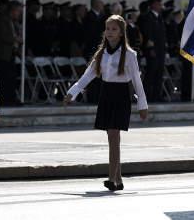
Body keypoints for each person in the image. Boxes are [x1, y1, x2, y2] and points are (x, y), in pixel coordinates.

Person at [64, 15, 149, 191]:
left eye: (114, 29)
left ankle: (111, 178)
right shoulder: (101, 54)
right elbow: (88, 75)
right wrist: (72, 92)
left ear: (121, 33)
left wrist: (143, 105)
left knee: (114, 136)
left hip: (121, 95)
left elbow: (136, 81)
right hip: (107, 94)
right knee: (112, 138)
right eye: (108, 29)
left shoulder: (130, 55)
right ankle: (118, 179)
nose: (110, 32)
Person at [0, 0, 23, 106]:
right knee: (5, 77)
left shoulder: (13, 22)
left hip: (11, 54)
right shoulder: (3, 20)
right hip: (3, 54)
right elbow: (4, 36)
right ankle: (3, 99)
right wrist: (15, 39)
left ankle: (11, 98)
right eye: (18, 11)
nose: (19, 14)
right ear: (12, 10)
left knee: (11, 77)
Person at [139, 0, 167, 102]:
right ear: (153, 5)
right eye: (158, 4)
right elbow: (148, 34)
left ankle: (157, 95)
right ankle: (146, 96)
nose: (160, 6)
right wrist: (151, 49)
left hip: (161, 50)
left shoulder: (159, 17)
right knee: (151, 74)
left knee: (159, 73)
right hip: (153, 50)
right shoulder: (148, 17)